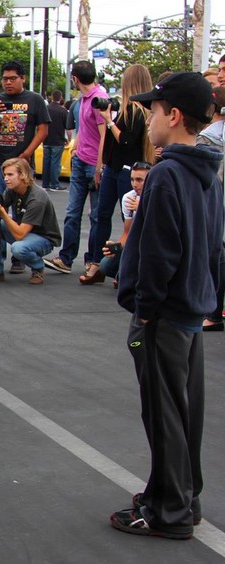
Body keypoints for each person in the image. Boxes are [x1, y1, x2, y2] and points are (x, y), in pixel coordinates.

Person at [111, 71, 223, 540]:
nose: (149, 119)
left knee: (163, 414)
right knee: (182, 411)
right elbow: (214, 248)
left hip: (164, 314)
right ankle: (182, 497)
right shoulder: (209, 174)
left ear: (173, 116)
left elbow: (159, 252)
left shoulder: (166, 174)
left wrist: (145, 308)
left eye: (154, 111)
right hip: (191, 308)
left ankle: (169, 510)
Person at [83, 64, 154, 285]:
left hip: (127, 170)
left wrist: (109, 121)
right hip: (114, 168)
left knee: (128, 218)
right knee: (101, 214)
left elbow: (125, 140)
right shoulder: (126, 109)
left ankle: (123, 267)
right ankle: (98, 262)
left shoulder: (138, 111)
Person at [0, 60, 49, 275]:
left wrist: (27, 154)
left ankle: (19, 257)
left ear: (23, 78)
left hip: (22, 163)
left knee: (20, 210)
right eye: (5, 79)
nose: (8, 83)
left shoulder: (34, 100)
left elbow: (43, 130)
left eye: (12, 79)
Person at [47, 60, 107, 274]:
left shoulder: (99, 99)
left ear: (75, 79)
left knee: (96, 215)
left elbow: (104, 135)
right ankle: (66, 258)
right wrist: (75, 148)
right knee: (72, 212)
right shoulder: (82, 100)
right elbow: (82, 129)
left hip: (93, 163)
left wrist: (99, 167)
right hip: (80, 160)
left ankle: (93, 260)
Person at [0, 158, 61, 286]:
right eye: (5, 175)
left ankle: (38, 267)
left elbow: (20, 235)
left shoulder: (37, 198)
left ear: (23, 175)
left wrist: (2, 212)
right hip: (24, 231)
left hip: (44, 238)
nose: (6, 179)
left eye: (10, 175)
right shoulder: (12, 190)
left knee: (18, 248)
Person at [196, 87, 225, 331]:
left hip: (215, 201)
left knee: (216, 255)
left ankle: (213, 313)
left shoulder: (208, 137)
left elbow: (210, 177)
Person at [97, 161, 149, 284]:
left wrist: (143, 209)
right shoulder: (128, 198)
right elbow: (127, 232)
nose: (134, 184)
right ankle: (127, 276)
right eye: (132, 179)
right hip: (136, 245)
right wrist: (116, 247)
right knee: (105, 265)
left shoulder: (158, 197)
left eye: (139, 180)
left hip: (153, 247)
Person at [44, 90, 70, 190]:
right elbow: (68, 127)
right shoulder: (63, 111)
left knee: (46, 162)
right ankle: (55, 184)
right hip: (58, 140)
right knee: (55, 163)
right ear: (61, 98)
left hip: (46, 139)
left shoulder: (46, 109)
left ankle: (45, 183)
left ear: (51, 97)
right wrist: (68, 139)